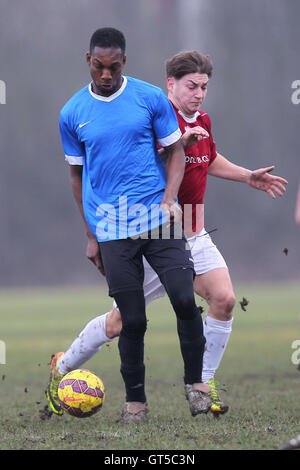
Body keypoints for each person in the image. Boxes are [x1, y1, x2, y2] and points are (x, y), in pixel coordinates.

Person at [47, 48, 288, 419]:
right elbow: (137, 166)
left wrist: (247, 176)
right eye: (192, 86)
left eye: (204, 86)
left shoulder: (202, 119)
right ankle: (63, 367)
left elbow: (208, 159)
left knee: (223, 299)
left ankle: (202, 387)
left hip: (193, 230)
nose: (199, 93)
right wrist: (174, 149)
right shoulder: (154, 116)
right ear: (170, 85)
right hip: (154, 234)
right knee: (121, 322)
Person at [47, 29, 212, 424]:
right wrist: (90, 236)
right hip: (111, 229)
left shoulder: (149, 98)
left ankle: (197, 385)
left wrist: (170, 197)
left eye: (114, 66)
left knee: (185, 300)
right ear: (88, 59)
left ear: (124, 61)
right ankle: (135, 404)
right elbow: (76, 176)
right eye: (99, 66)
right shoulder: (72, 113)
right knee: (132, 318)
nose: (106, 74)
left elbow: (174, 150)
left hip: (158, 220)